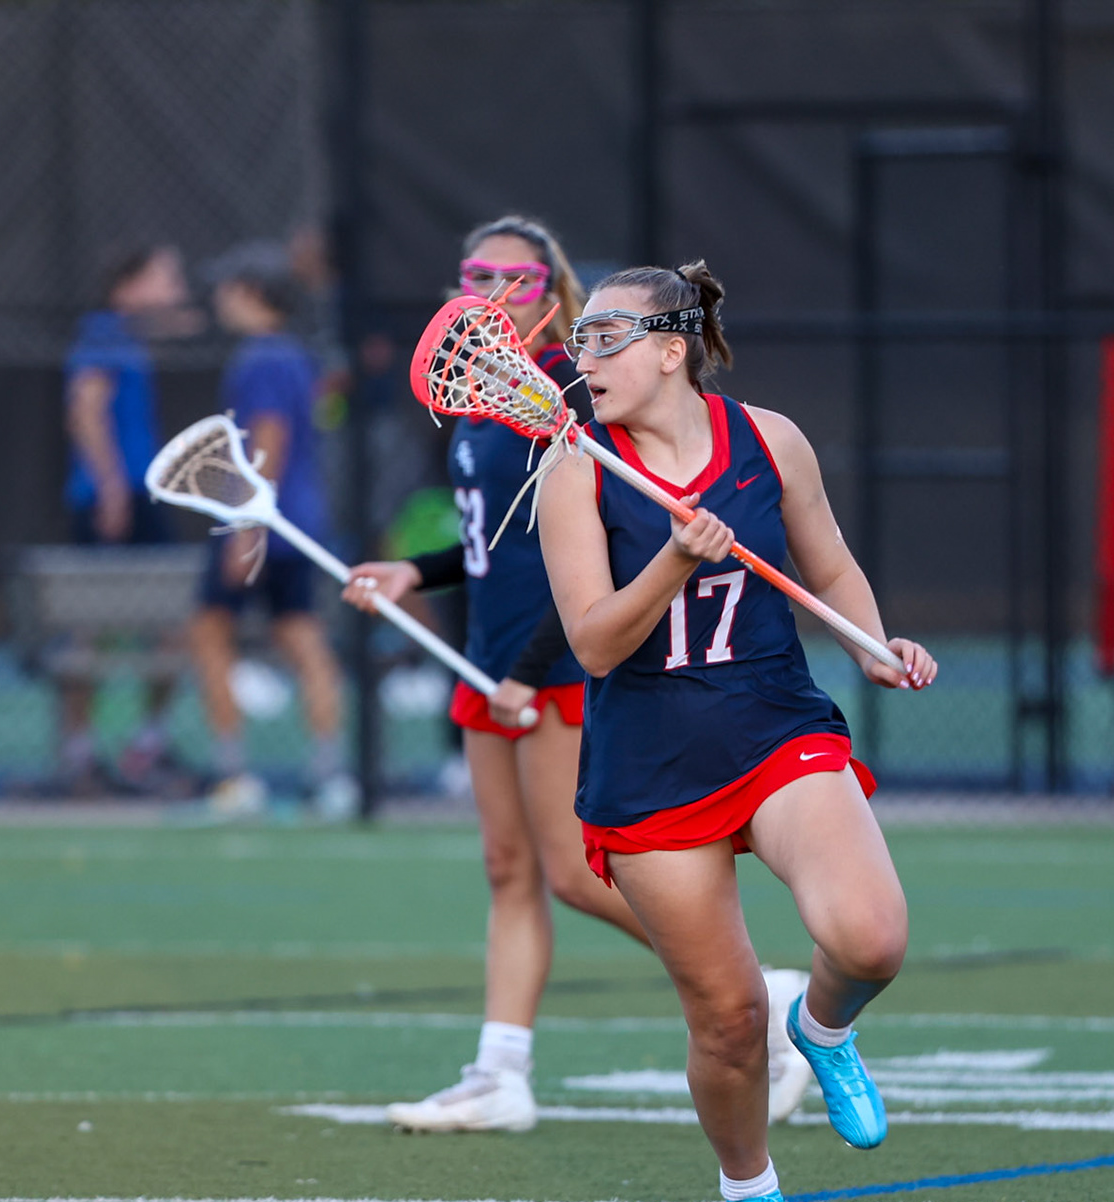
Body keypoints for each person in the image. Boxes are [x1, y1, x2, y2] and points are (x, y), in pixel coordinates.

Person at [344, 218, 814, 1133]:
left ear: (553, 288)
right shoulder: (480, 392)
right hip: (489, 654)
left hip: (553, 658)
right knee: (507, 867)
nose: (493, 287)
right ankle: (500, 1071)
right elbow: (496, 538)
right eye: (476, 272)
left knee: (568, 869)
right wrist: (420, 572)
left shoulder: (572, 388)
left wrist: (530, 666)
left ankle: (763, 988)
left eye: (514, 275)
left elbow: (588, 547)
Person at [535, 261, 937, 1202]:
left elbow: (829, 566)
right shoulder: (576, 466)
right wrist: (673, 559)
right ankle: (748, 1182)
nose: (586, 360)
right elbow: (591, 644)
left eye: (606, 338)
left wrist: (872, 644)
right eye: (580, 341)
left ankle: (829, 1027)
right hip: (651, 762)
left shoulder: (771, 441)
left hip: (771, 722)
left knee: (873, 935)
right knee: (727, 1016)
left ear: (673, 348)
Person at [188, 244, 355, 819]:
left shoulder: (259, 358)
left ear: (254, 295)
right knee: (303, 638)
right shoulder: (298, 357)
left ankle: (233, 776)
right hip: (298, 521)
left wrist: (243, 526)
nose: (218, 300)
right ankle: (328, 775)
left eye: (229, 289)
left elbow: (269, 440)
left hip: (262, 523)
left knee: (209, 634)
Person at [60, 243, 192, 796]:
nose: (176, 289)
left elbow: (181, 321)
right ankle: (80, 753)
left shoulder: (131, 338)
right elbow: (84, 409)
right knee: (92, 631)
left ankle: (146, 745)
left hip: (142, 497)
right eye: (165, 279)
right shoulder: (104, 335)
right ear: (127, 287)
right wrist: (111, 487)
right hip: (114, 500)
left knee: (172, 628)